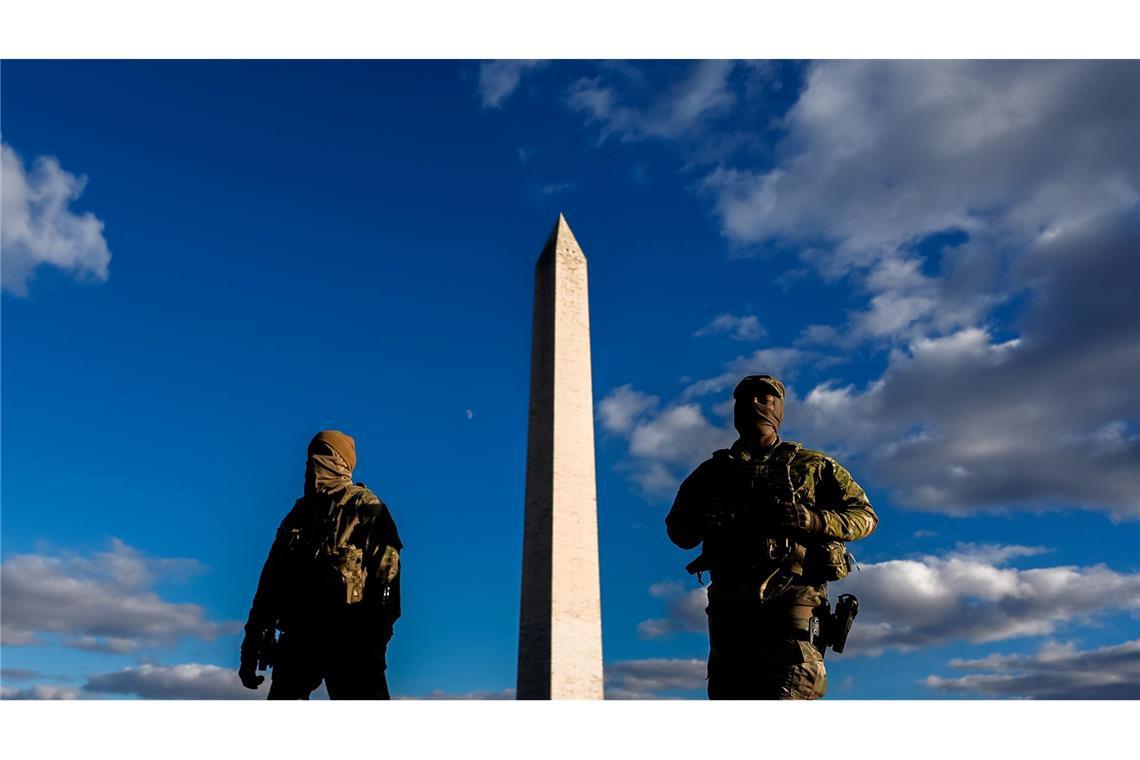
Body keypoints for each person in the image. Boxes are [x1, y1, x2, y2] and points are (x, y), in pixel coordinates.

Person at [665, 375, 877, 699]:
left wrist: (816, 520)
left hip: (794, 597)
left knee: (790, 693)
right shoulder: (711, 474)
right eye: (745, 400)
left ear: (778, 410)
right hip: (731, 608)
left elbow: (865, 516)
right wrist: (705, 521)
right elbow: (678, 531)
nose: (754, 405)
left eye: (765, 399)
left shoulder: (813, 466)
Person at [239, 430, 402, 699]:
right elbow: (269, 585)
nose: (314, 463)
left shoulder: (365, 507)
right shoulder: (298, 516)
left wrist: (375, 642)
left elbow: (388, 578)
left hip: (351, 641)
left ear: (342, 463)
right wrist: (252, 644)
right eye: (311, 456)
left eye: (325, 455)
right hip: (298, 641)